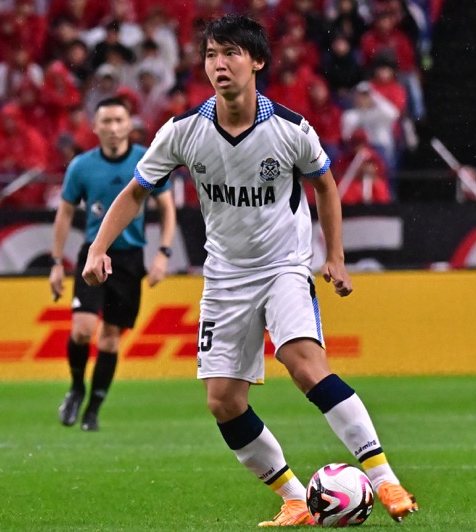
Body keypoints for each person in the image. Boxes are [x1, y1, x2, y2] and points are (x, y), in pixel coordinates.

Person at [82, 14, 418, 526]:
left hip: (284, 265)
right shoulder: (183, 132)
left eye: (232, 54)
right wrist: (96, 249)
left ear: (257, 61)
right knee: (222, 401)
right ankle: (293, 498)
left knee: (303, 363)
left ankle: (385, 479)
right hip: (225, 275)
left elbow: (325, 185)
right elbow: (135, 193)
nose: (220, 64)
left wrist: (334, 257)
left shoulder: (289, 129)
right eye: (212, 55)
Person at [49, 97, 176, 432]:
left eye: (119, 120)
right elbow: (64, 212)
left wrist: (163, 252)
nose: (113, 128)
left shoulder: (145, 160)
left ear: (129, 123)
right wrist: (56, 262)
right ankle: (77, 387)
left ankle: (92, 410)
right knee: (81, 330)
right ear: (95, 127)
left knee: (109, 340)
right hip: (94, 253)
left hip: (130, 259)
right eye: (106, 121)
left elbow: (167, 206)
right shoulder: (81, 166)